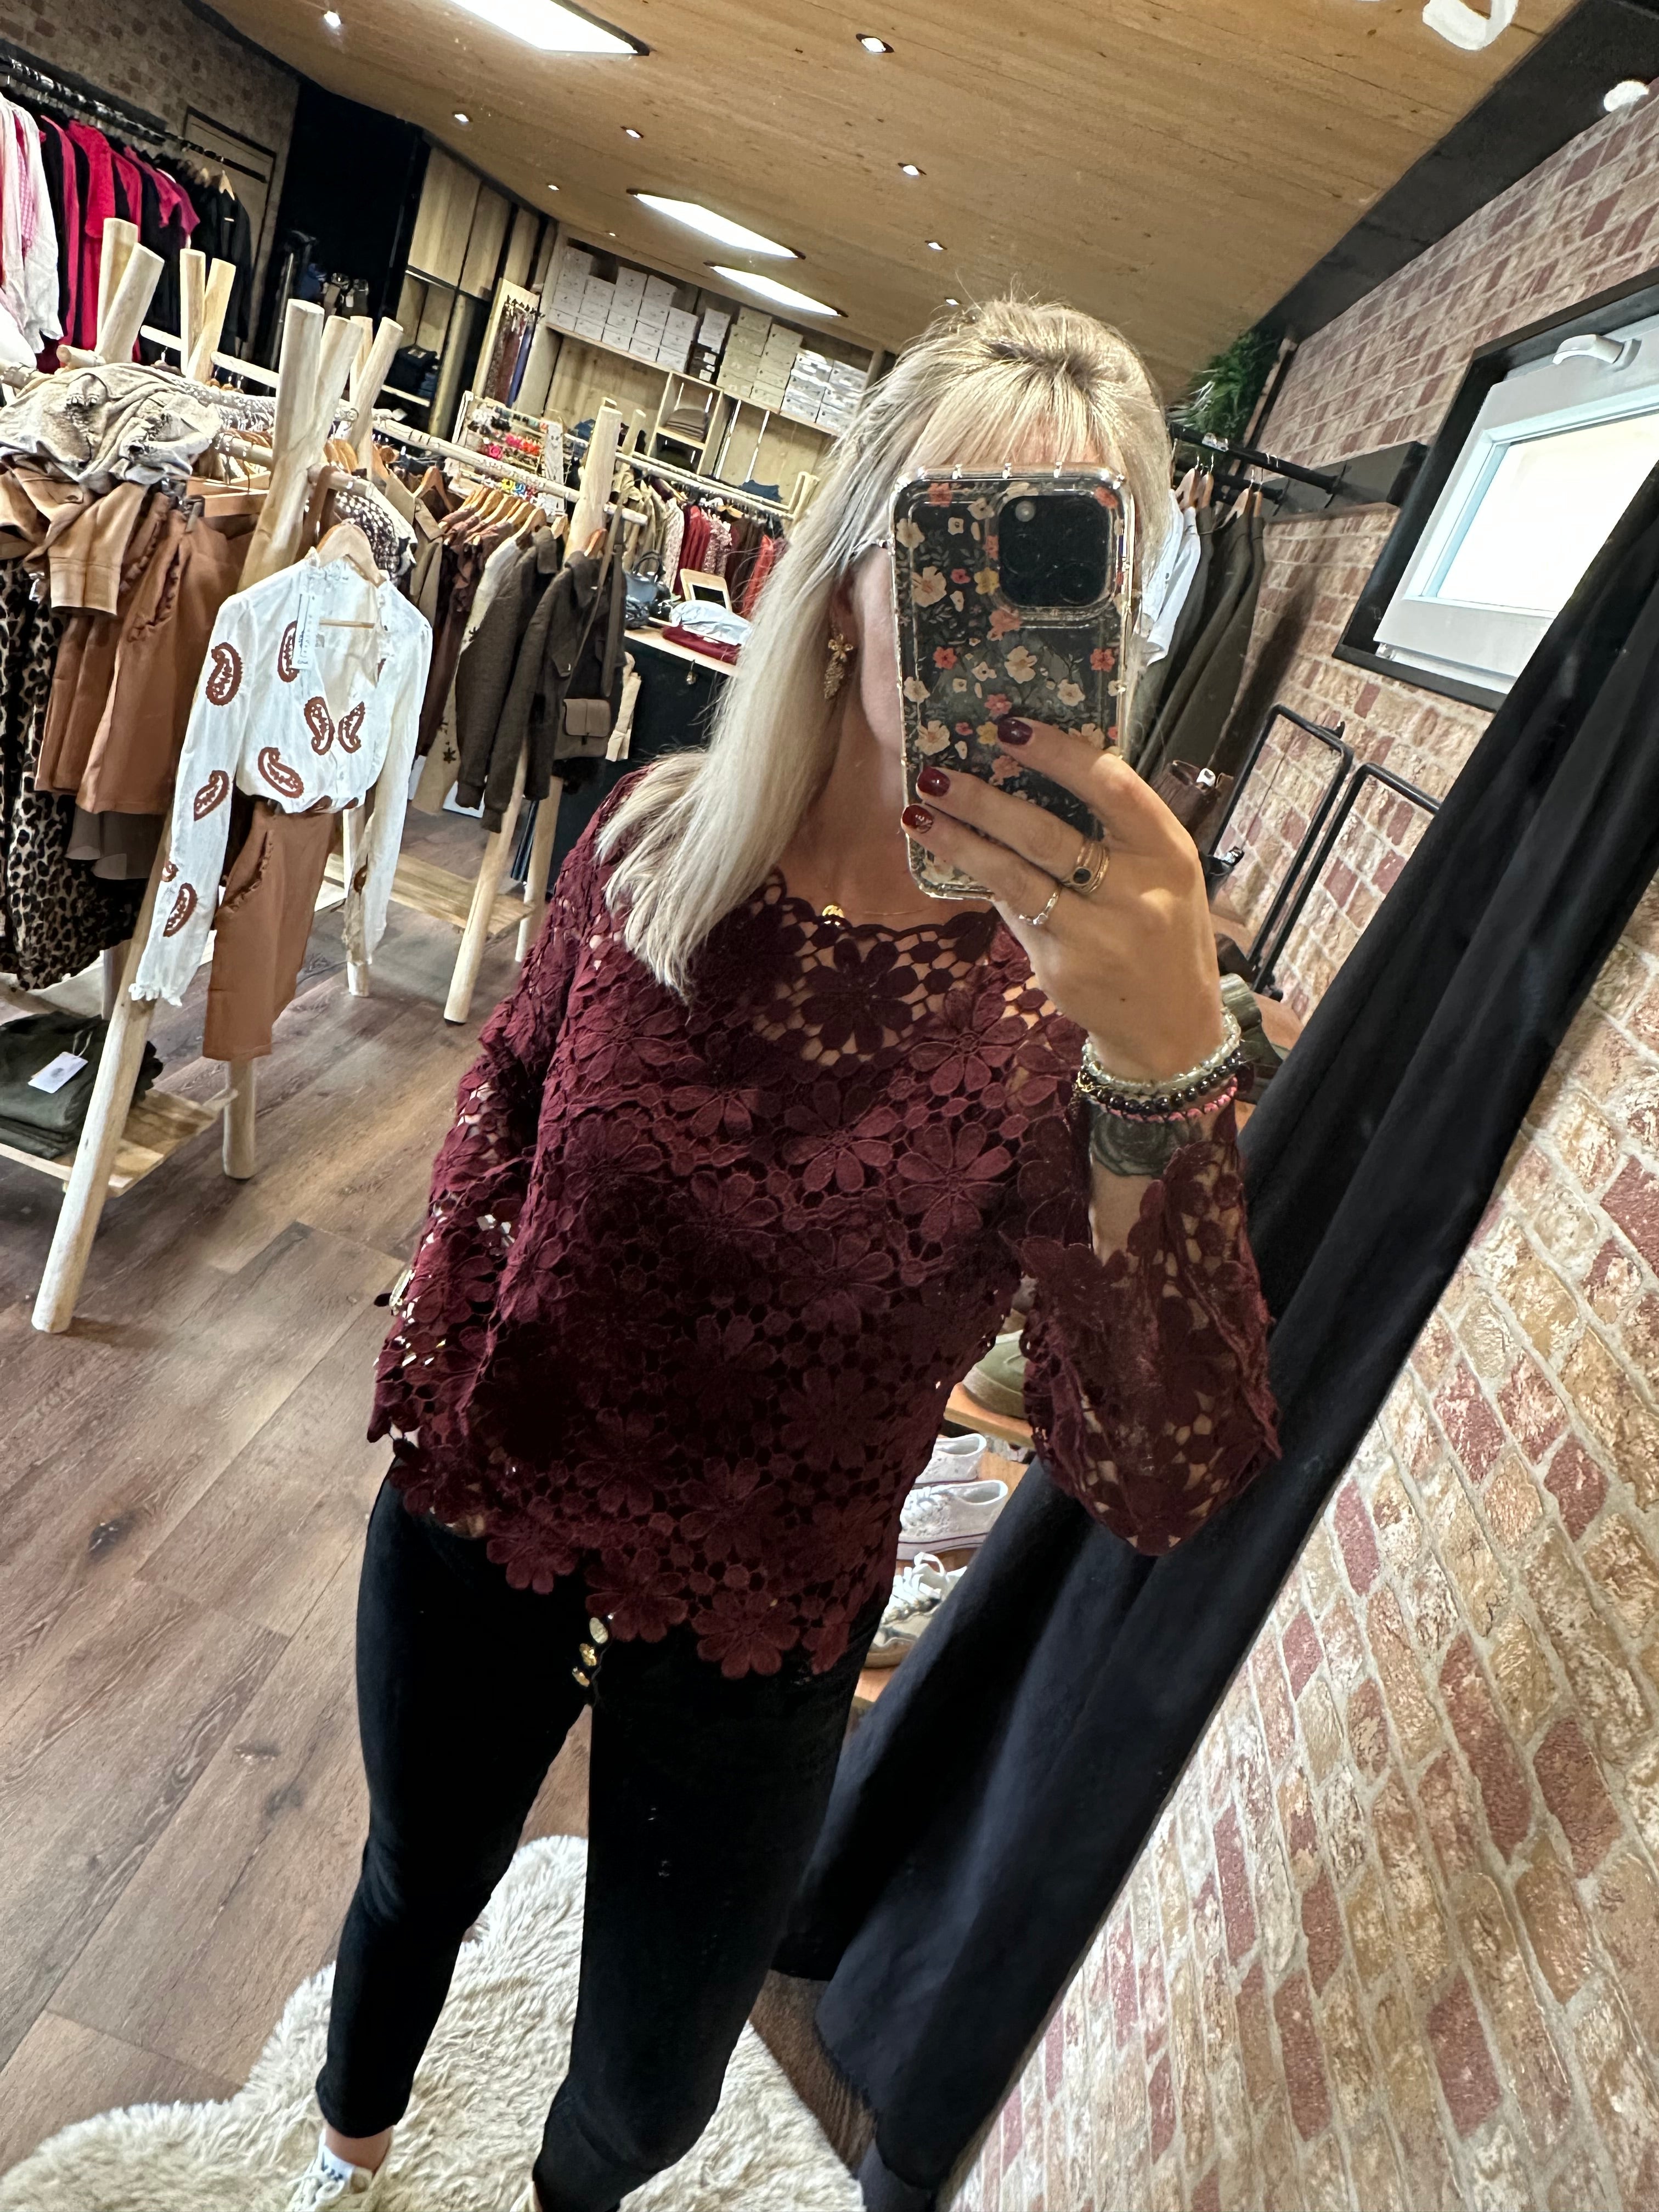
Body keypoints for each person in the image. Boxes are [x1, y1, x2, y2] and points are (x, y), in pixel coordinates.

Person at [286, 297, 1279, 2212]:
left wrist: (1168, 1060)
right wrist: (444, 1368)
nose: (1014, 628)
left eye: (1074, 572)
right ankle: (347, 2147)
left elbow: (1162, 1477)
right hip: (491, 1510)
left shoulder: (1081, 1014)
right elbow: (502, 1116)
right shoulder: (654, 844)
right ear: (850, 584)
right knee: (413, 1881)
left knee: (653, 2091)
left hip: (769, 1614)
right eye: (973, 548)